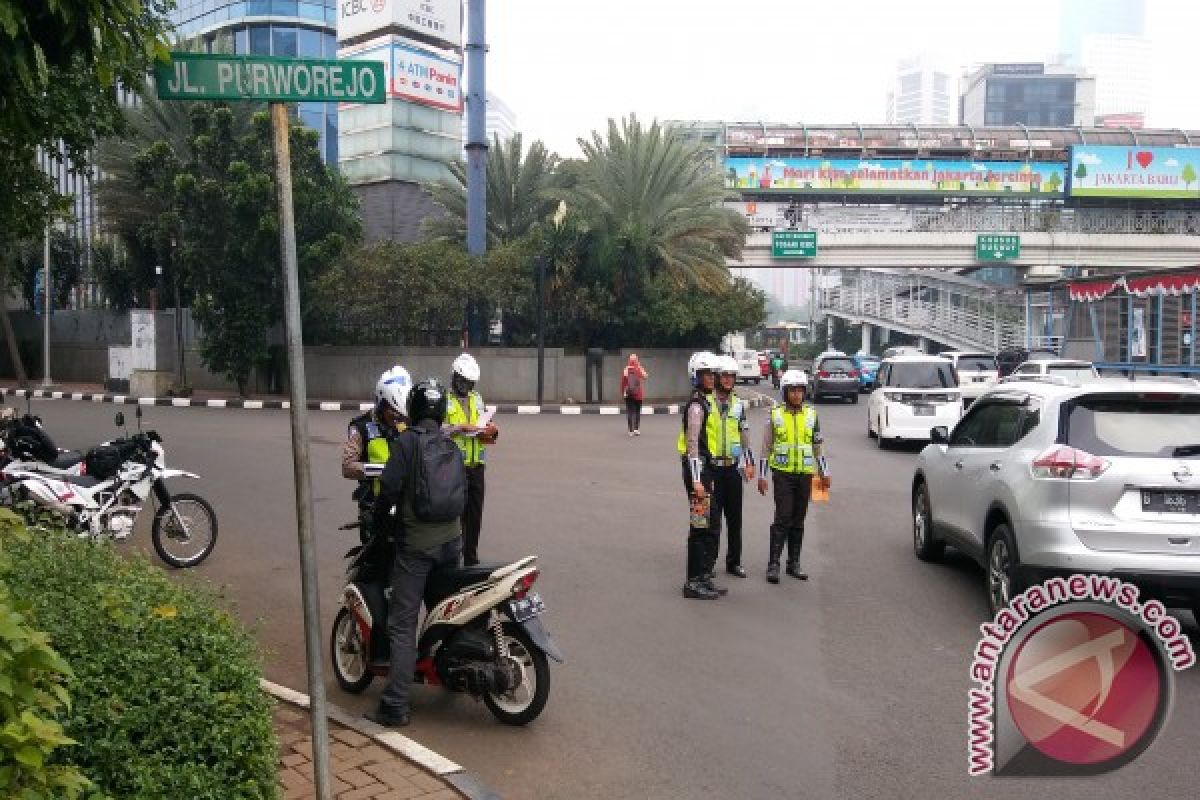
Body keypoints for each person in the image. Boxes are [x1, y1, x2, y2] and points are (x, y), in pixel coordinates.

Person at [365, 379, 465, 728]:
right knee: (445, 614)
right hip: (452, 543)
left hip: (416, 548)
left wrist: (379, 523)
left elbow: (389, 489)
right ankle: (451, 673)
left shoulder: (407, 442)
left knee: (403, 625)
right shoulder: (449, 442)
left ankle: (394, 704)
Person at [756, 369, 830, 583]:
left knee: (798, 519)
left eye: (800, 390)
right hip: (782, 474)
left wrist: (825, 472)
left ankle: (793, 563)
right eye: (793, 391)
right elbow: (765, 447)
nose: (797, 395)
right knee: (783, 517)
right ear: (784, 392)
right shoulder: (775, 415)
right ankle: (773, 564)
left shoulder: (812, 415)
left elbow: (818, 446)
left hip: (805, 475)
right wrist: (762, 476)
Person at [342, 366, 412, 535]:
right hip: (374, 506)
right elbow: (347, 466)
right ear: (381, 403)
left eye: (401, 413)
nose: (397, 417)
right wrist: (382, 470)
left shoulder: (408, 422)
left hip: (405, 505)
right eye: (393, 411)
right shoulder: (361, 427)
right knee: (377, 557)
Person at [443, 353, 498, 566]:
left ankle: (471, 561)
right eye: (463, 381)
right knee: (455, 519)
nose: (467, 385)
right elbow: (436, 431)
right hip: (453, 468)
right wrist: (459, 428)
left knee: (474, 518)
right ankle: (452, 562)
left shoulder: (477, 399)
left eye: (470, 382)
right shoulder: (444, 400)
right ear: (455, 378)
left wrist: (491, 430)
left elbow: (485, 428)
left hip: (476, 468)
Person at [677, 351, 723, 599]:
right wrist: (697, 480)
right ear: (696, 376)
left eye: (712, 374)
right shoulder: (696, 406)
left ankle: (704, 576)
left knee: (711, 524)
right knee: (700, 527)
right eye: (706, 374)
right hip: (698, 472)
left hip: (706, 471)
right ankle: (693, 582)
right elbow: (693, 444)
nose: (711, 379)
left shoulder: (708, 402)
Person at [707, 354, 755, 579]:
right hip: (712, 468)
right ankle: (709, 562)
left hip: (733, 469)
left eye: (731, 376)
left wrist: (749, 462)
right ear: (716, 377)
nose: (728, 380)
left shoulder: (737, 404)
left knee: (735, 518)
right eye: (724, 376)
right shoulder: (706, 403)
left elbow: (744, 434)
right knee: (712, 519)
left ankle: (734, 562)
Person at [620, 354, 648, 436]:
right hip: (638, 394)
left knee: (630, 411)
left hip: (628, 394)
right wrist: (639, 366)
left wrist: (623, 392)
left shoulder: (626, 369)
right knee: (637, 411)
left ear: (629, 360)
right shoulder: (638, 369)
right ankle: (636, 429)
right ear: (636, 360)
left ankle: (630, 431)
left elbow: (623, 382)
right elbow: (646, 376)